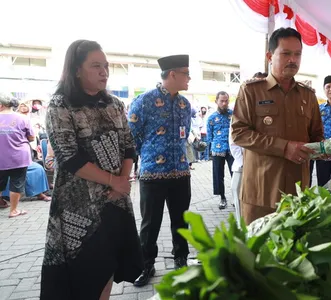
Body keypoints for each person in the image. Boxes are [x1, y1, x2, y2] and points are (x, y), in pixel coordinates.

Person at [41, 40, 142, 300]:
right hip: (79, 209)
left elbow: (129, 147)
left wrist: (121, 182)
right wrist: (114, 181)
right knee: (83, 273)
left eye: (106, 66)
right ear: (76, 70)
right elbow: (68, 157)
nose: (104, 72)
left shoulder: (114, 105)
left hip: (115, 202)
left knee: (108, 267)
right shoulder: (60, 106)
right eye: (95, 66)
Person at [231, 27, 324, 224]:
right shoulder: (251, 92)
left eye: (298, 54)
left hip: (297, 195)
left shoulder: (308, 96)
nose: (293, 59)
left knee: (294, 252)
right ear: (269, 56)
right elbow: (239, 133)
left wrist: (325, 148)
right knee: (257, 253)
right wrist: (284, 148)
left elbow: (317, 136)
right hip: (260, 195)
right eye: (286, 53)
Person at [128, 54, 192, 285]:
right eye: (186, 73)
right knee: (149, 224)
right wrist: (127, 170)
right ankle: (145, 266)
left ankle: (181, 260)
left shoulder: (186, 104)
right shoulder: (144, 101)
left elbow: (185, 136)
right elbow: (131, 138)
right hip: (152, 174)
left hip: (181, 173)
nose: (189, 78)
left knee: (181, 221)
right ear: (172, 74)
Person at [0, 93, 32, 217]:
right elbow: (31, 137)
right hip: (18, 157)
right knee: (17, 183)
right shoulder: (22, 118)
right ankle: (13, 211)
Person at [207, 91, 234, 209]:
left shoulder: (234, 115)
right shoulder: (211, 118)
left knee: (236, 174)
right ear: (216, 101)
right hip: (217, 149)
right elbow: (209, 136)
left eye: (226, 100)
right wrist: (210, 150)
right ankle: (222, 198)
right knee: (218, 175)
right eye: (222, 101)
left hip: (233, 149)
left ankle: (236, 197)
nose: (224, 103)